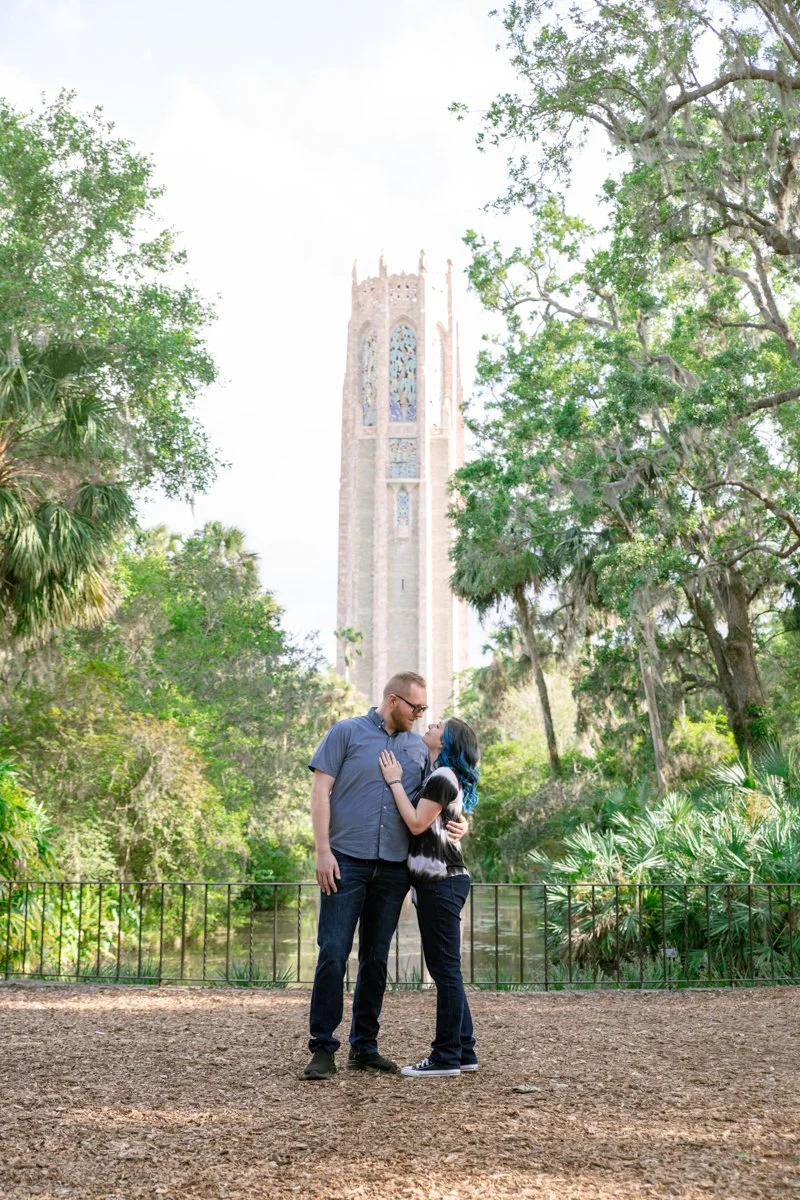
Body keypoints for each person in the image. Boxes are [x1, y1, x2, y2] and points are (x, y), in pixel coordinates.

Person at [303, 671, 468, 1080]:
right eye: (417, 707)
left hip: (394, 869)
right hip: (345, 861)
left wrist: (465, 823)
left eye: (425, 709)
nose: (421, 714)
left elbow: (444, 797)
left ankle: (365, 1047)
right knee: (333, 953)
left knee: (376, 960)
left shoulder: (420, 748)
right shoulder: (346, 732)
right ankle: (323, 1047)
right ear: (394, 701)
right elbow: (319, 791)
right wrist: (323, 852)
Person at [378, 716, 480, 1077]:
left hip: (442, 881)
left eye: (437, 726)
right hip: (439, 881)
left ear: (446, 741)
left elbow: (418, 824)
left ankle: (446, 1056)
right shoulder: (440, 776)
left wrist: (393, 783)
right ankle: (464, 1050)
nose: (430, 725)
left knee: (445, 971)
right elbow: (442, 824)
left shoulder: (441, 777)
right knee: (446, 970)